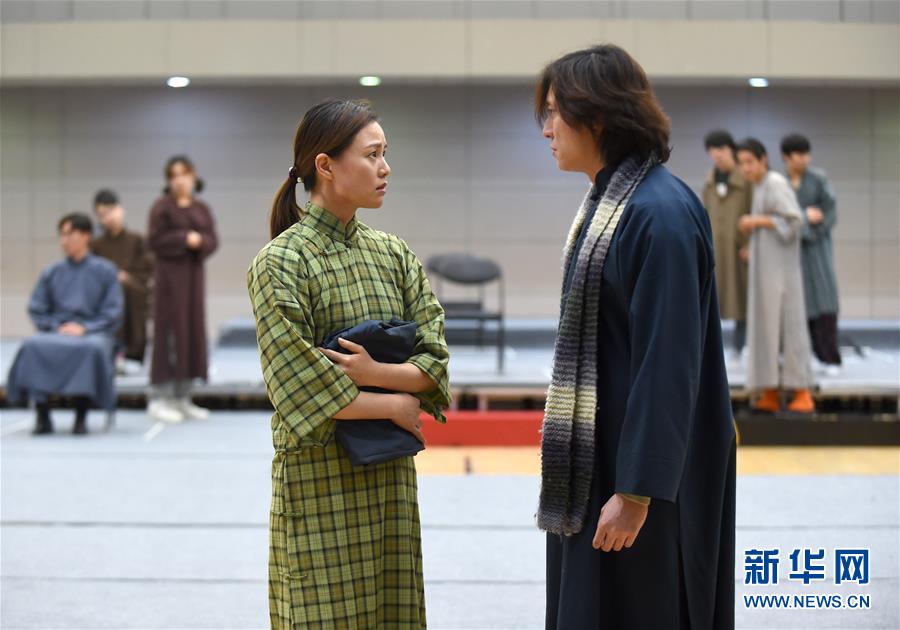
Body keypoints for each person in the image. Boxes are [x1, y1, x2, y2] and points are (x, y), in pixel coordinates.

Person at [535, 45, 735, 630]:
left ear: (597, 116)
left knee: (649, 606)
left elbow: (668, 363)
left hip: (650, 480)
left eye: (555, 112)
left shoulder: (658, 213)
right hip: (602, 452)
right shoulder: (611, 203)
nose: (547, 129)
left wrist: (638, 491)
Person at [247, 99, 451, 628]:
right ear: (326, 165)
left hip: (390, 478)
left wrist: (379, 378)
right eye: (372, 154)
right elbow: (296, 387)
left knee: (394, 616)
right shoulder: (281, 262)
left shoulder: (393, 254)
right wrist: (397, 403)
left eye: (385, 154)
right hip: (321, 480)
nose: (386, 168)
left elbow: (435, 362)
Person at [6, 213, 123, 435]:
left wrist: (85, 328)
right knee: (33, 345)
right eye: (62, 235)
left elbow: (113, 311)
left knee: (91, 348)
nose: (64, 240)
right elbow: (37, 308)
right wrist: (57, 327)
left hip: (93, 333)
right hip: (57, 331)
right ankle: (42, 414)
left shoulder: (106, 271)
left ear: (86, 236)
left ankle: (81, 414)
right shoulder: (52, 272)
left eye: (70, 234)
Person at [736, 138, 815, 413]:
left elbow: (794, 220)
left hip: (783, 274)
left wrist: (756, 221)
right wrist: (753, 247)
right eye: (741, 163)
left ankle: (802, 391)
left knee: (790, 327)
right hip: (767, 272)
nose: (745, 168)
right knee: (765, 329)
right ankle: (769, 390)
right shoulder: (760, 186)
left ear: (763, 160)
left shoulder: (775, 183)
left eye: (749, 162)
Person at [146, 156, 218, 423]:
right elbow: (154, 241)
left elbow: (213, 240)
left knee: (191, 334)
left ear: (193, 176)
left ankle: (183, 398)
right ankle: (160, 399)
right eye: (173, 175)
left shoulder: (202, 208)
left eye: (183, 174)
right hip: (168, 283)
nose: (179, 181)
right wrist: (184, 238)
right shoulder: (161, 207)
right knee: (169, 336)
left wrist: (200, 241)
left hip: (193, 281)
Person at [781, 133, 842, 374]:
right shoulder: (780, 182)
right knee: (797, 305)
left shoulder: (818, 179)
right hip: (790, 252)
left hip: (818, 250)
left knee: (825, 302)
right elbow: (782, 218)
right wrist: (805, 219)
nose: (805, 159)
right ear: (787, 157)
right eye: (799, 154)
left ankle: (830, 358)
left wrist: (807, 231)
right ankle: (804, 358)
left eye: (807, 154)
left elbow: (829, 213)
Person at [703, 129, 753, 361]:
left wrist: (750, 244)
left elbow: (754, 210)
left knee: (743, 296)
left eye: (721, 149)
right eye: (713, 151)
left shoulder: (745, 180)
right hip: (716, 250)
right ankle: (718, 349)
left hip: (740, 250)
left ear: (731, 150)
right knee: (715, 297)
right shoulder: (710, 182)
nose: (717, 155)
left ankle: (742, 346)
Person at [91, 189, 153, 368]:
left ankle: (131, 353)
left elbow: (148, 270)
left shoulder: (137, 240)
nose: (108, 217)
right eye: (102, 214)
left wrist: (127, 278)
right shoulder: (96, 244)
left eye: (111, 211)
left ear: (120, 209)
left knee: (126, 291)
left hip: (134, 291)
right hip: (106, 294)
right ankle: (113, 352)